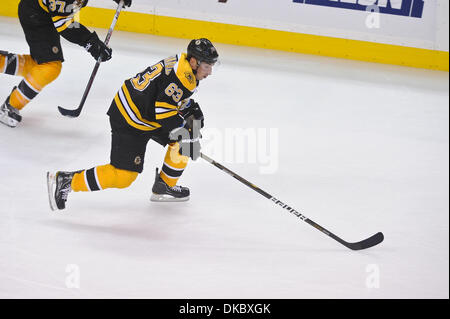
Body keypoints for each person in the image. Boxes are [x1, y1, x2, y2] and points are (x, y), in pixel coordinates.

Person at [46, 38, 219, 210]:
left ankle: (164, 186)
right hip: (130, 118)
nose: (210, 71)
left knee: (189, 134)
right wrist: (185, 135)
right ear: (194, 62)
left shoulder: (182, 62)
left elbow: (162, 93)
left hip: (144, 111)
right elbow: (165, 114)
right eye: (206, 66)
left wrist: (188, 109)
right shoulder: (182, 77)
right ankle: (68, 181)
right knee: (123, 176)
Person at [0, 0, 132, 128]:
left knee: (39, 67)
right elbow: (67, 26)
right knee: (49, 67)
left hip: (45, 11)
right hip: (35, 15)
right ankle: (10, 106)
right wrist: (91, 43)